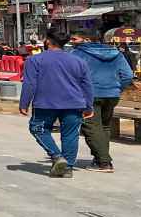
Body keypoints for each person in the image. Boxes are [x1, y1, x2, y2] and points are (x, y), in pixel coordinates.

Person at [19, 30, 94, 178]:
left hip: (45, 103)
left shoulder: (35, 60)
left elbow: (29, 83)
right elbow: (87, 85)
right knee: (70, 135)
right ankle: (67, 168)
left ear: (47, 41)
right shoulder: (78, 61)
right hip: (74, 103)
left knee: (37, 128)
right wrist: (88, 105)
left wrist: (24, 103)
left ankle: (57, 157)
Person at [70, 35, 137, 172]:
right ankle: (99, 158)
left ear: (87, 40)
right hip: (112, 95)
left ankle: (104, 162)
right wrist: (117, 87)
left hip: (89, 96)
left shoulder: (77, 54)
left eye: (74, 39)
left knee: (91, 127)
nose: (72, 41)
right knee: (104, 126)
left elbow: (70, 75)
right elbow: (128, 75)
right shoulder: (116, 53)